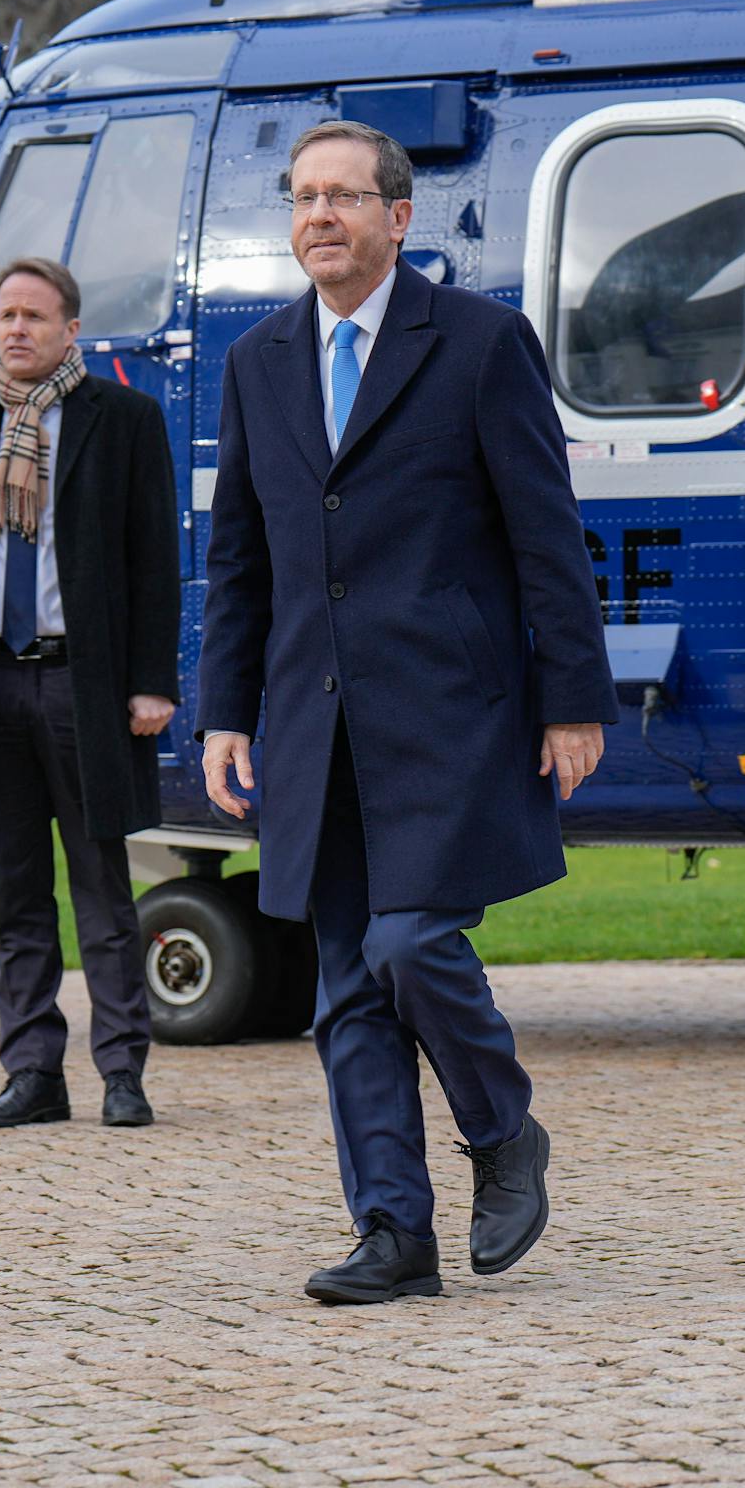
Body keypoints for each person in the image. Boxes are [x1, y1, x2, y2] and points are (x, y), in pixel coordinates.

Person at [198, 120, 619, 1304]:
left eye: (342, 196)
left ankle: (501, 1132)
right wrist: (225, 711)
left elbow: (548, 536)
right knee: (343, 984)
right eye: (301, 197)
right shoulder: (259, 361)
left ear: (398, 216)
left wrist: (572, 697)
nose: (318, 215)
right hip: (311, 722)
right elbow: (239, 557)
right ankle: (392, 1230)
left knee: (408, 940)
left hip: (450, 712)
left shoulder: (481, 345)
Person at [0, 257, 181, 1131]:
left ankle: (122, 1073)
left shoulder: (124, 421)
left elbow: (153, 564)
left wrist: (151, 683)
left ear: (70, 330)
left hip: (82, 684)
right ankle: (32, 1073)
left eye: (33, 316)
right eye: (5, 316)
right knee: (15, 893)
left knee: (102, 887)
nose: (15, 329)